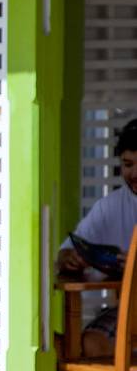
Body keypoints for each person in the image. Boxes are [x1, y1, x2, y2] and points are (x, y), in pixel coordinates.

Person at [58, 118, 137, 354]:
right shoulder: (110, 206)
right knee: (89, 344)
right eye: (127, 164)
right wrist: (69, 258)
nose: (134, 173)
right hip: (130, 312)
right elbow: (65, 251)